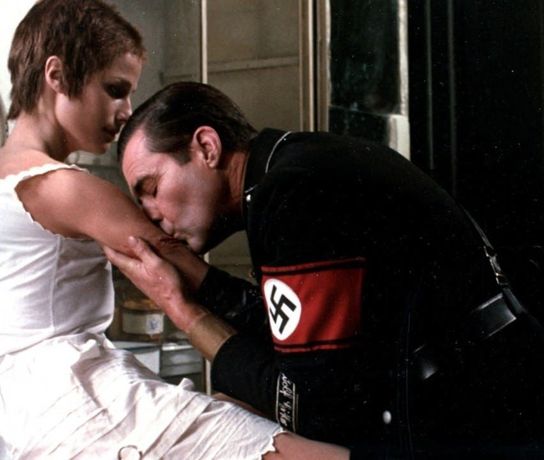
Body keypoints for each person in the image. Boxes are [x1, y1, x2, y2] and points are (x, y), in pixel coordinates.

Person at [105, 80, 544, 458]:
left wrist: (180, 309)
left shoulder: (289, 194)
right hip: (516, 409)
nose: (151, 212)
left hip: (503, 430)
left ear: (206, 147)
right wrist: (196, 279)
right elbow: (298, 337)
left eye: (151, 187)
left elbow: (311, 410)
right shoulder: (295, 164)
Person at [0, 1, 348, 459]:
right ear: (57, 75)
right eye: (115, 90)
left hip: (22, 407)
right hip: (75, 390)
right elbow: (179, 266)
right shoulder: (66, 187)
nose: (126, 112)